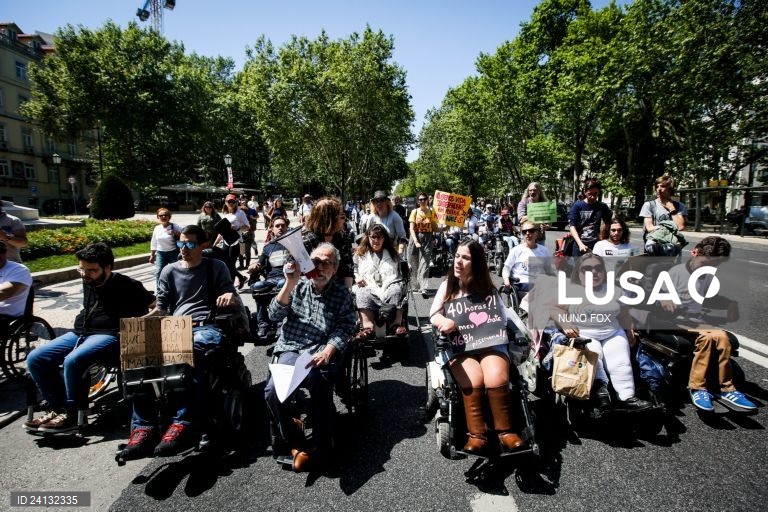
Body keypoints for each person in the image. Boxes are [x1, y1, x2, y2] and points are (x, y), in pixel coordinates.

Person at [123, 225, 243, 459]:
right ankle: (143, 426)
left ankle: (184, 421)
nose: (183, 249)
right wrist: (140, 324)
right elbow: (161, 308)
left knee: (186, 351)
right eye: (181, 243)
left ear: (203, 245)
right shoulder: (169, 270)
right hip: (175, 327)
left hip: (206, 327)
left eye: (189, 244)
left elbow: (230, 293)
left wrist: (229, 295)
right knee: (136, 350)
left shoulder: (215, 267)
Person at [24, 243, 155, 434]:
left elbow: (156, 305)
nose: (85, 274)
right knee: (36, 358)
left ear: (108, 267)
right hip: (82, 332)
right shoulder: (88, 280)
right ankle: (57, 407)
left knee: (73, 360)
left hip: (110, 334)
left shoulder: (128, 284)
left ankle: (72, 413)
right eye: (82, 269)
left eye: (91, 270)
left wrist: (138, 322)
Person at [265, 243, 357, 472]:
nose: (320, 267)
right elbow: (273, 315)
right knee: (273, 390)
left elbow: (346, 327)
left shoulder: (341, 294)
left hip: (320, 349)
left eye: (326, 263)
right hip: (291, 347)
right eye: (315, 262)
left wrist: (328, 350)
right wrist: (289, 283)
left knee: (319, 383)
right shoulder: (297, 285)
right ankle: (294, 437)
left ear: (334, 269)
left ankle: (321, 441)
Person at [430, 240, 524, 453]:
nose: (458, 262)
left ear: (477, 263)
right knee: (474, 380)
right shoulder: (448, 286)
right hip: (460, 347)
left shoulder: (488, 289)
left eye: (465, 258)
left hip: (490, 344)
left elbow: (502, 317)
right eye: (457, 256)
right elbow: (434, 314)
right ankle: (477, 435)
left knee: (496, 378)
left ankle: (505, 432)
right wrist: (443, 321)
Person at [660, 236, 756, 412]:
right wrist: (664, 298)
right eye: (705, 263)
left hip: (695, 321)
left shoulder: (707, 276)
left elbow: (709, 298)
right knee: (706, 338)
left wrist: (730, 303)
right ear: (695, 252)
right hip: (674, 320)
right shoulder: (676, 272)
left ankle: (727, 388)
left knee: (722, 338)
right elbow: (656, 294)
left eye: (714, 265)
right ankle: (697, 387)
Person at [553, 253, 652, 411]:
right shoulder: (571, 290)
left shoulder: (615, 290)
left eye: (598, 268)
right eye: (587, 269)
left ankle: (627, 398)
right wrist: (565, 323)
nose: (594, 272)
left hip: (612, 332)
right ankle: (601, 397)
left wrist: (630, 329)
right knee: (595, 358)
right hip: (585, 333)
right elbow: (554, 309)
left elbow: (624, 313)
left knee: (620, 363)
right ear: (579, 272)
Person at [354, 224, 406, 339]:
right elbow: (354, 269)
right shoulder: (360, 253)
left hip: (389, 284)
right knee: (361, 293)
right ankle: (368, 328)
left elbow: (403, 264)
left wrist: (408, 267)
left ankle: (395, 325)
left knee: (396, 290)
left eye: (379, 237)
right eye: (373, 237)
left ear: (384, 239)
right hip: (368, 286)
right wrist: (357, 276)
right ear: (368, 237)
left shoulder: (392, 253)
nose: (376, 240)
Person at [248, 217, 291, 339]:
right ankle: (263, 324)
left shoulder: (292, 244)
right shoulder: (268, 247)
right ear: (272, 229)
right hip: (271, 279)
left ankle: (280, 323)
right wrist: (254, 266)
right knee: (257, 286)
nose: (280, 228)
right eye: (277, 226)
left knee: (282, 284)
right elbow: (260, 263)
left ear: (287, 227)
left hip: (287, 278)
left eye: (282, 225)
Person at [302, 197, 355, 288]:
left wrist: (347, 293)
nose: (344, 220)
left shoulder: (343, 238)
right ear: (330, 219)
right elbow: (301, 273)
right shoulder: (307, 241)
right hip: (312, 287)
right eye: (341, 216)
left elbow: (348, 268)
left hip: (339, 287)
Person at [501, 220, 554, 300]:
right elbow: (506, 268)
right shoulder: (516, 250)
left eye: (531, 231)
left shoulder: (544, 250)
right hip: (522, 284)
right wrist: (506, 282)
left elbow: (548, 269)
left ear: (536, 233)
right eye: (524, 232)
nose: (528, 233)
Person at [639, 174, 688, 256]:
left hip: (672, 248)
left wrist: (672, 210)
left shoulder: (679, 206)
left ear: (670, 189)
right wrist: (669, 229)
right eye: (657, 186)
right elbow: (650, 228)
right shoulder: (649, 205)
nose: (659, 189)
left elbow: (680, 227)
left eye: (662, 186)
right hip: (654, 246)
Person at [568, 179, 612, 257]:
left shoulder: (602, 207)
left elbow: (609, 223)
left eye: (595, 193)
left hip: (596, 245)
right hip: (579, 245)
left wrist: (603, 238)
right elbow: (572, 226)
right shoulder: (577, 206)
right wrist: (580, 244)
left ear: (599, 192)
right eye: (590, 194)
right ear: (585, 192)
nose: (592, 197)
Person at [214, 194, 249, 288]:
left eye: (233, 201)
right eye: (229, 201)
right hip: (226, 242)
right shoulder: (225, 214)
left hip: (236, 241)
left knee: (230, 264)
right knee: (226, 264)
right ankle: (241, 277)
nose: (231, 203)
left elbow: (247, 226)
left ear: (236, 202)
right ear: (225, 202)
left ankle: (231, 287)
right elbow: (222, 232)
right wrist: (214, 244)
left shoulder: (240, 213)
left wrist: (237, 228)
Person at [0, 240, 32, 338]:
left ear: (5, 252)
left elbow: (4, 293)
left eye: (1, 251)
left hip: (6, 314)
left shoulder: (18, 269)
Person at [408, 193, 438, 296]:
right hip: (415, 238)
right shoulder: (415, 212)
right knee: (414, 262)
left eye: (424, 199)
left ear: (427, 200)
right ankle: (415, 286)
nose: (422, 201)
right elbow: (411, 228)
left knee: (425, 263)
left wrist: (446, 228)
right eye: (420, 199)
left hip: (427, 238)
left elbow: (435, 228)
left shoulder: (432, 212)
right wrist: (416, 241)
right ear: (418, 201)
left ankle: (423, 287)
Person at [362, 191, 407, 255]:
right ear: (374, 204)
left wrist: (400, 252)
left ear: (387, 202)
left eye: (382, 200)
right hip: (374, 253)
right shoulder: (371, 217)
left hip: (391, 253)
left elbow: (402, 237)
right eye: (377, 201)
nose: (379, 203)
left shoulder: (395, 216)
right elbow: (367, 237)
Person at [149, 208, 182, 287]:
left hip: (173, 252)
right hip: (161, 253)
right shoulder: (157, 228)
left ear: (169, 217)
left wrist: (175, 232)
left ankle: (178, 288)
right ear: (158, 217)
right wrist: (152, 255)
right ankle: (160, 290)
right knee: (159, 271)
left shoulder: (175, 226)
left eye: (166, 215)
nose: (163, 217)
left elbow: (185, 235)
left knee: (177, 271)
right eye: (161, 215)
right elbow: (154, 242)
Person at [238, 201, 258, 270]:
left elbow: (256, 217)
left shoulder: (252, 211)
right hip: (241, 234)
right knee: (241, 251)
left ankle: (247, 265)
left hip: (249, 233)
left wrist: (253, 218)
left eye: (244, 203)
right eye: (242, 203)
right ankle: (241, 265)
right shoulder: (239, 212)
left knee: (247, 251)